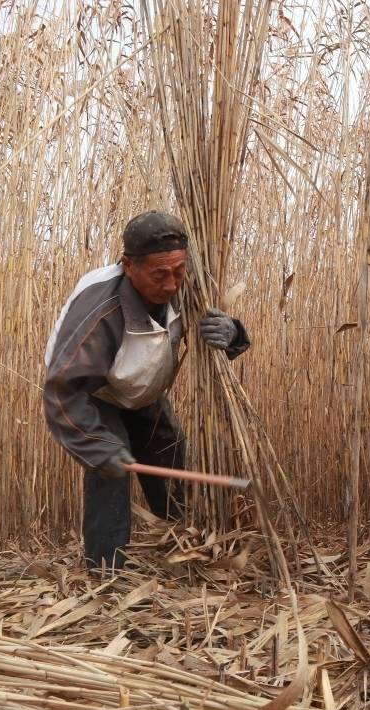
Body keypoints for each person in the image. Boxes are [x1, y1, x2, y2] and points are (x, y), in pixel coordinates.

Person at [43, 210, 250, 571]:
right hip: (98, 392)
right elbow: (64, 390)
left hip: (142, 388)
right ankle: (107, 573)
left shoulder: (188, 286)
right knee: (112, 466)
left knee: (168, 450)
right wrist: (98, 446)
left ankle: (182, 548)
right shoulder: (100, 310)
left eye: (178, 271)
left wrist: (232, 333)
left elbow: (223, 331)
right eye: (159, 275)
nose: (171, 285)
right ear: (129, 266)